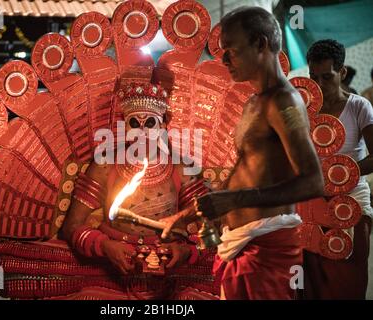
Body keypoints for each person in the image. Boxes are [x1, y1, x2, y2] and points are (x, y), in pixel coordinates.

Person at [161, 7, 325, 300]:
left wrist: (235, 199)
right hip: (241, 245)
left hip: (267, 250)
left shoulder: (283, 101)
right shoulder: (255, 101)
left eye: (231, 50)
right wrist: (194, 212)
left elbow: (313, 181)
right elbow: (247, 171)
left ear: (260, 44)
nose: (223, 60)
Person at [60, 82, 218, 300]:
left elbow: (209, 230)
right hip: (113, 265)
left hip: (169, 267)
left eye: (150, 122)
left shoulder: (182, 168)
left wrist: (187, 252)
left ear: (163, 125)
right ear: (125, 125)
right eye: (135, 122)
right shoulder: (106, 165)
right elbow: (72, 226)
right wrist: (105, 246)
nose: (143, 131)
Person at [300, 39, 373, 299]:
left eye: (326, 77)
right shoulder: (303, 109)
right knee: (309, 285)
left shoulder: (358, 106)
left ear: (342, 73)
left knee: (347, 282)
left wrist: (340, 174)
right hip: (309, 204)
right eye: (313, 77)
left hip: (350, 202)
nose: (318, 85)